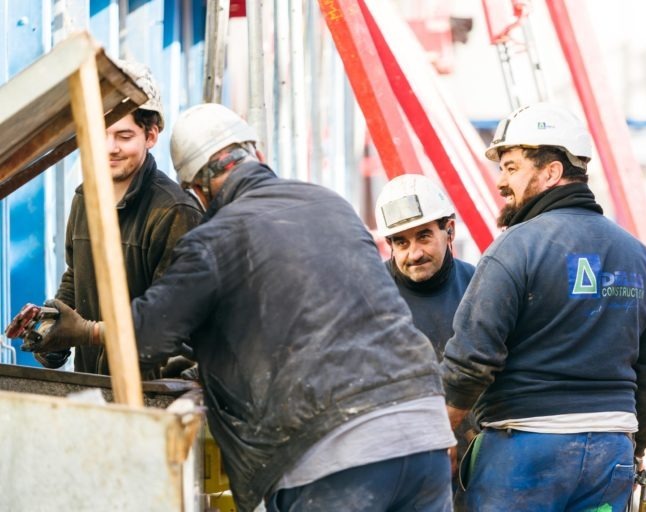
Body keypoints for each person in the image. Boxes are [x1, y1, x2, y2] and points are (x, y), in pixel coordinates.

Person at [30, 103, 456, 512]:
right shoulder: (330, 204)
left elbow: (150, 333)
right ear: (258, 154)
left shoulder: (217, 237)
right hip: (424, 429)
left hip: (336, 449)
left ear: (198, 189)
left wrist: (83, 331)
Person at [440, 102, 646, 511]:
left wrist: (438, 434)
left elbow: (471, 360)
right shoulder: (638, 257)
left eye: (511, 167)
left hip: (524, 453)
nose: (500, 182)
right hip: (609, 455)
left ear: (551, 172)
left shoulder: (514, 250)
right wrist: (637, 445)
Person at [23, 60, 202, 378]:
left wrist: (85, 332)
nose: (109, 148)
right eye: (99, 133)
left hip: (154, 396)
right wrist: (51, 329)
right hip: (93, 387)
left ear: (151, 137)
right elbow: (75, 278)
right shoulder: (84, 199)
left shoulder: (173, 212)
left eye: (124, 136)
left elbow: (172, 323)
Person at [374, 173, 475, 356]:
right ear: (390, 244)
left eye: (424, 237)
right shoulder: (370, 292)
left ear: (450, 230)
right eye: (401, 242)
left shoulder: (478, 286)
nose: (415, 254)